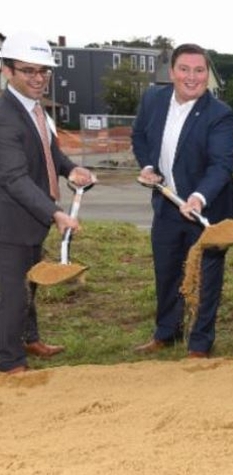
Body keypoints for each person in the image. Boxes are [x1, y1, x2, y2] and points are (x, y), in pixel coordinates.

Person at [131, 43, 233, 359]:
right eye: (185, 69)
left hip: (207, 209)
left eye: (199, 70)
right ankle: (167, 332)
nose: (192, 77)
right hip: (166, 205)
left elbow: (222, 164)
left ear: (207, 74)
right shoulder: (153, 99)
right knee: (167, 271)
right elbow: (139, 136)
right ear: (172, 72)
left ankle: (200, 343)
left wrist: (198, 197)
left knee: (206, 277)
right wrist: (149, 167)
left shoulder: (220, 114)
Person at [0, 31, 96, 373]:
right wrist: (55, 212)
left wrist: (72, 170)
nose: (39, 79)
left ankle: (30, 338)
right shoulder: (5, 115)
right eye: (29, 71)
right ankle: (10, 362)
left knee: (31, 282)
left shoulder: (36, 110)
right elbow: (12, 177)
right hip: (9, 223)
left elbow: (50, 152)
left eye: (44, 71)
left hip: (32, 220)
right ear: (7, 71)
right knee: (11, 294)